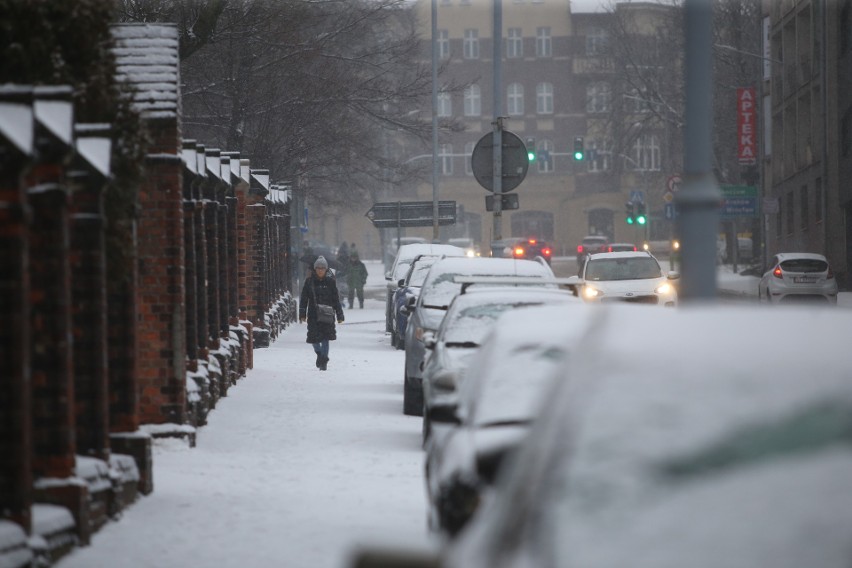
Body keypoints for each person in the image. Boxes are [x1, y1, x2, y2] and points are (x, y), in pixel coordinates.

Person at [299, 256, 344, 370]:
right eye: (318, 268)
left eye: (323, 268)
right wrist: (302, 313)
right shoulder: (309, 282)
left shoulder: (330, 282)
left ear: (326, 269)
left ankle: (324, 361)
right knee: (314, 339)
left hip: (327, 315)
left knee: (325, 338)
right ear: (315, 269)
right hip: (313, 315)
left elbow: (336, 300)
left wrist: (339, 315)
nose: (320, 270)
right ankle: (320, 355)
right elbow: (304, 299)